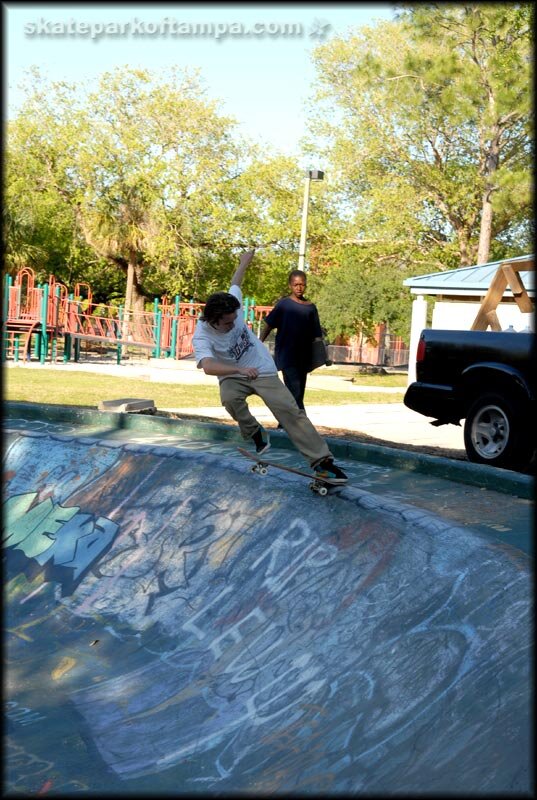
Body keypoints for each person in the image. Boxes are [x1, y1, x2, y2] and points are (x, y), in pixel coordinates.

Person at [192, 250, 348, 483]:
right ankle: (254, 431)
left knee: (291, 412)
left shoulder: (231, 307)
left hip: (262, 369)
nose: (234, 324)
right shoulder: (201, 336)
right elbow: (207, 365)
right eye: (228, 322)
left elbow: (235, 283)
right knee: (229, 399)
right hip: (233, 374)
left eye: (235, 318)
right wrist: (238, 370)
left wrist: (244, 262)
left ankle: (323, 462)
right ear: (214, 320)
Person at [259, 270, 324, 413]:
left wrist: (321, 356)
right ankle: (300, 419)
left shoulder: (311, 308)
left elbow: (317, 336)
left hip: (304, 356)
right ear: (290, 285)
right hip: (287, 355)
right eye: (296, 285)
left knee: (299, 390)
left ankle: (286, 422)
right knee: (293, 388)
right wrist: (258, 344)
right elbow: (269, 325)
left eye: (302, 285)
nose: (299, 288)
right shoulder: (284, 305)